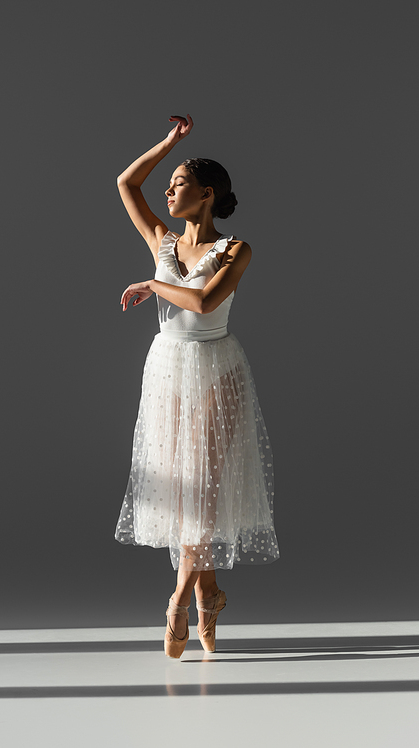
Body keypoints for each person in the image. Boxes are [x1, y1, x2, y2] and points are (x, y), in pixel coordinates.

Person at [115, 115, 279, 658]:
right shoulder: (161, 239)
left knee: (204, 483)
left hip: (216, 367)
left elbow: (205, 303)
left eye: (180, 183)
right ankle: (210, 590)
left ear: (207, 195)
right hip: (167, 366)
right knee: (184, 484)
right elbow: (127, 184)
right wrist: (168, 145)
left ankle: (180, 595)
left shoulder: (236, 250)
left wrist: (151, 283)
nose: (168, 191)